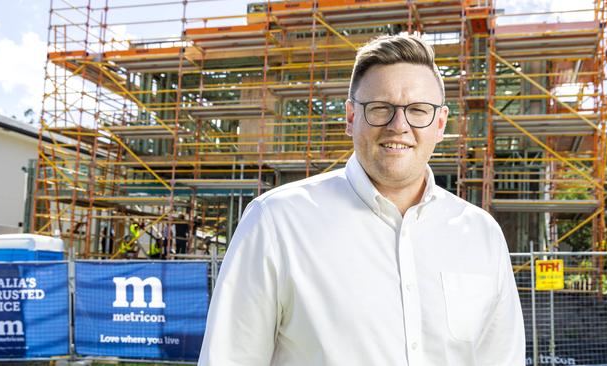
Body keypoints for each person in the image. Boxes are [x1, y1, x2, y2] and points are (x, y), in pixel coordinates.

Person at [198, 34, 525, 366]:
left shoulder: (481, 235)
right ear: (351, 117)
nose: (399, 126)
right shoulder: (276, 223)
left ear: (440, 124)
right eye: (380, 108)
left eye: (418, 110)